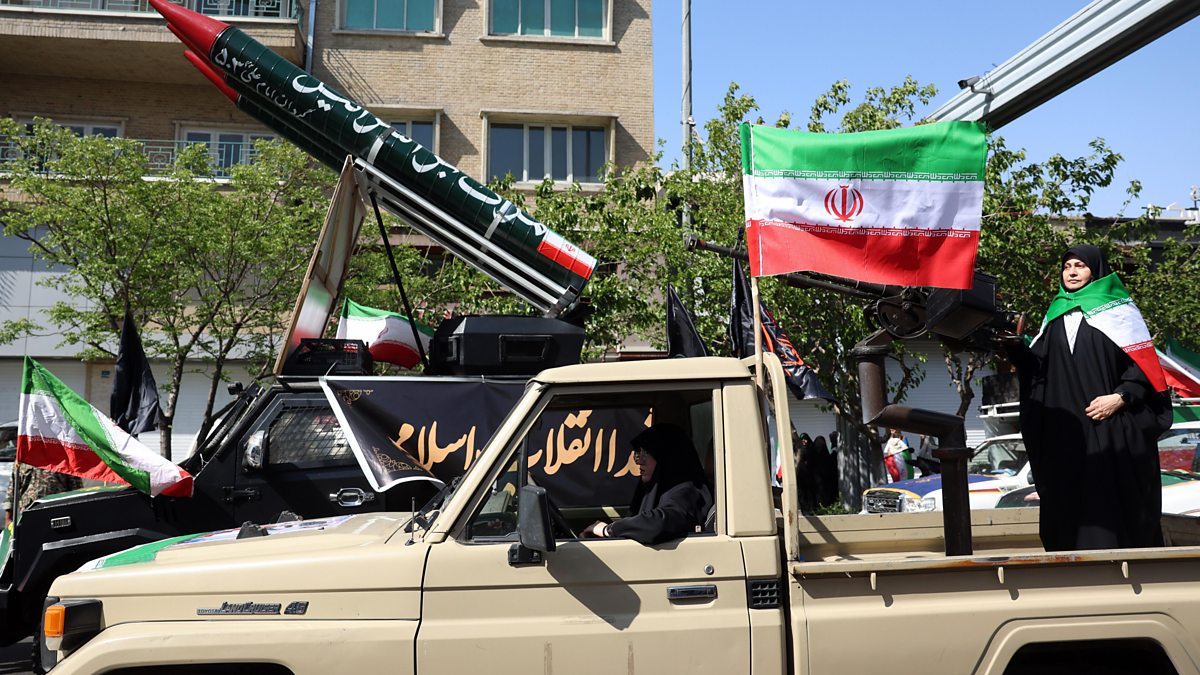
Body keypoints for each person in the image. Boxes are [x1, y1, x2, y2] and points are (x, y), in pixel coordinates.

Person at [1006, 244, 1172, 551]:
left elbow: (1144, 368)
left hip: (1110, 429)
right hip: (1069, 433)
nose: (1071, 272)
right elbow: (1038, 372)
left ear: (1095, 270)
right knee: (1069, 503)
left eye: (1079, 266)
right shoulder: (1055, 315)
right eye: (1067, 266)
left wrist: (1121, 396)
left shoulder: (1120, 312)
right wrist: (1014, 347)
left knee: (1112, 503)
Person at [581, 424, 713, 545]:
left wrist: (608, 529)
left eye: (647, 453)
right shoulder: (657, 489)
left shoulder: (687, 492)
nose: (639, 461)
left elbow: (659, 524)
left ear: (666, 457)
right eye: (639, 453)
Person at [5, 465, 83, 525]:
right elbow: (12, 489)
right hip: (29, 513)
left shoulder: (62, 457)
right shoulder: (22, 458)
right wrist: (8, 517)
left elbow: (76, 488)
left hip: (58, 514)